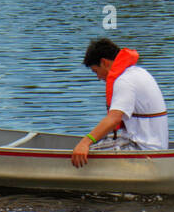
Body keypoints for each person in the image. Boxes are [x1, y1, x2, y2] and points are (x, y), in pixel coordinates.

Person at [71, 38, 169, 167]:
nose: (98, 77)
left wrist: (85, 142)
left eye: (96, 71)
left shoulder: (124, 81)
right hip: (156, 144)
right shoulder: (138, 72)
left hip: (143, 149)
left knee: (88, 149)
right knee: (96, 141)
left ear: (104, 62)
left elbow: (114, 119)